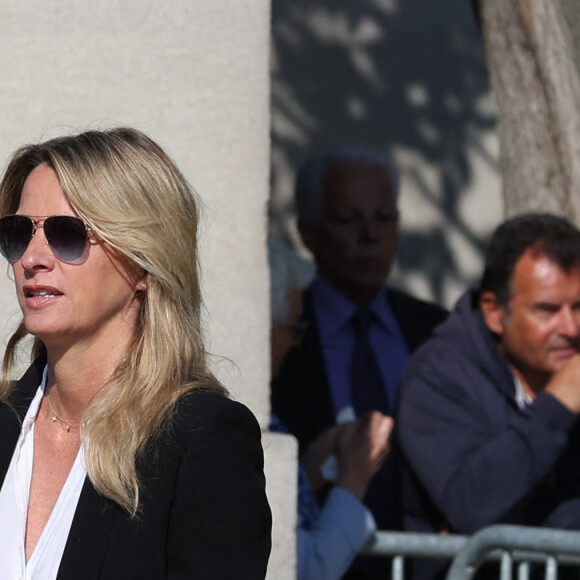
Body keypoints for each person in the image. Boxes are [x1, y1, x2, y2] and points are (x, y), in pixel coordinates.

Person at [0, 128, 271, 579]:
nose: (33, 257)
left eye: (67, 234)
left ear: (144, 261)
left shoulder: (201, 439)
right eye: (18, 232)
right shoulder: (7, 422)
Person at [271, 146, 447, 537]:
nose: (370, 236)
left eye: (384, 218)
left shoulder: (435, 329)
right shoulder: (284, 331)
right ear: (308, 233)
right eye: (348, 220)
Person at [398, 213, 580, 577]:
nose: (570, 328)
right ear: (495, 313)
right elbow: (473, 505)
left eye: (579, 308)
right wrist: (557, 405)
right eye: (547, 310)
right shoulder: (437, 376)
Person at [268, 238, 394, 580]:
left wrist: (307, 472)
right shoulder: (250, 420)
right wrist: (355, 477)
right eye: (293, 328)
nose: (296, 342)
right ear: (264, 328)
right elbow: (306, 569)